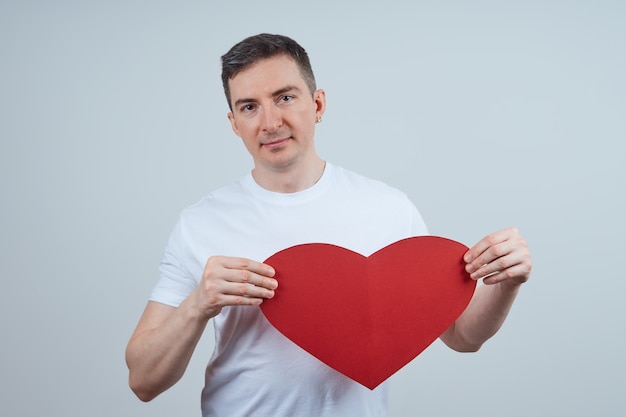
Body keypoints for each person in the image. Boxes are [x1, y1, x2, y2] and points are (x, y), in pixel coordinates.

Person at [125, 33, 532, 416]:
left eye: (284, 97)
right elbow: (144, 381)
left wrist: (505, 283)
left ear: (317, 105)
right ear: (233, 122)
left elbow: (461, 337)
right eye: (249, 106)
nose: (269, 122)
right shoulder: (200, 223)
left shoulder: (388, 207)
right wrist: (199, 304)